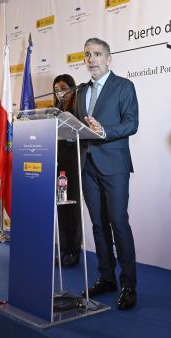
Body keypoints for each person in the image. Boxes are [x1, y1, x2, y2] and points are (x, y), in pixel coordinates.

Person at [75, 38, 139, 310]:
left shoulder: (124, 86)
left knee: (118, 222)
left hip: (114, 165)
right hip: (87, 165)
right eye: (87, 54)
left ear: (109, 59)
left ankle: (128, 284)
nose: (92, 59)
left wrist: (105, 132)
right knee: (99, 225)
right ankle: (106, 277)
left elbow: (132, 123)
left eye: (98, 54)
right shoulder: (80, 91)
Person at [53, 74, 82, 267]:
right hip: (57, 164)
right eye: (56, 89)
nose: (59, 92)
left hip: (74, 163)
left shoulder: (79, 110)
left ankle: (74, 252)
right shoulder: (54, 111)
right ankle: (63, 250)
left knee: (72, 209)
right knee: (61, 207)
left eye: (63, 88)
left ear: (72, 88)